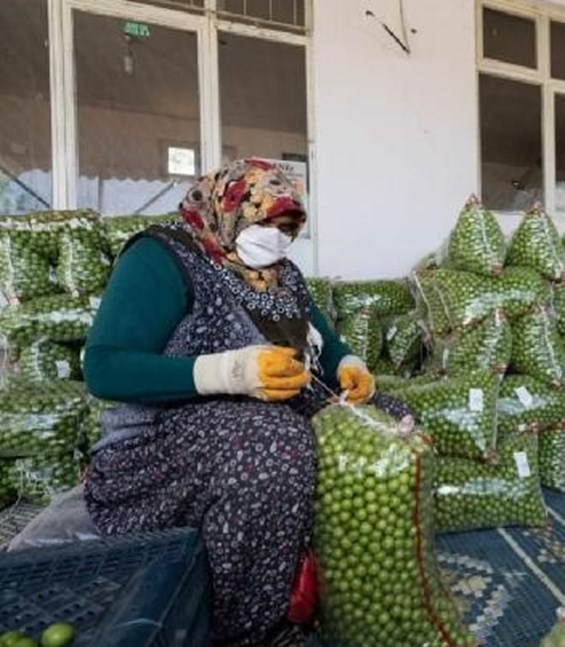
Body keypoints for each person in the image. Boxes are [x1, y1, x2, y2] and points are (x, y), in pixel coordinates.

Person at [82, 158, 376, 645]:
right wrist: (228, 371)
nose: (277, 239)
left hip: (261, 415)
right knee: (272, 446)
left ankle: (341, 594)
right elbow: (105, 367)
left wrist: (350, 366)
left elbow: (325, 341)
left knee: (387, 419)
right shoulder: (163, 256)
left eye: (288, 229)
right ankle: (249, 629)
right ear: (229, 207)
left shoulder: (282, 274)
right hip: (159, 443)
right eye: (268, 223)